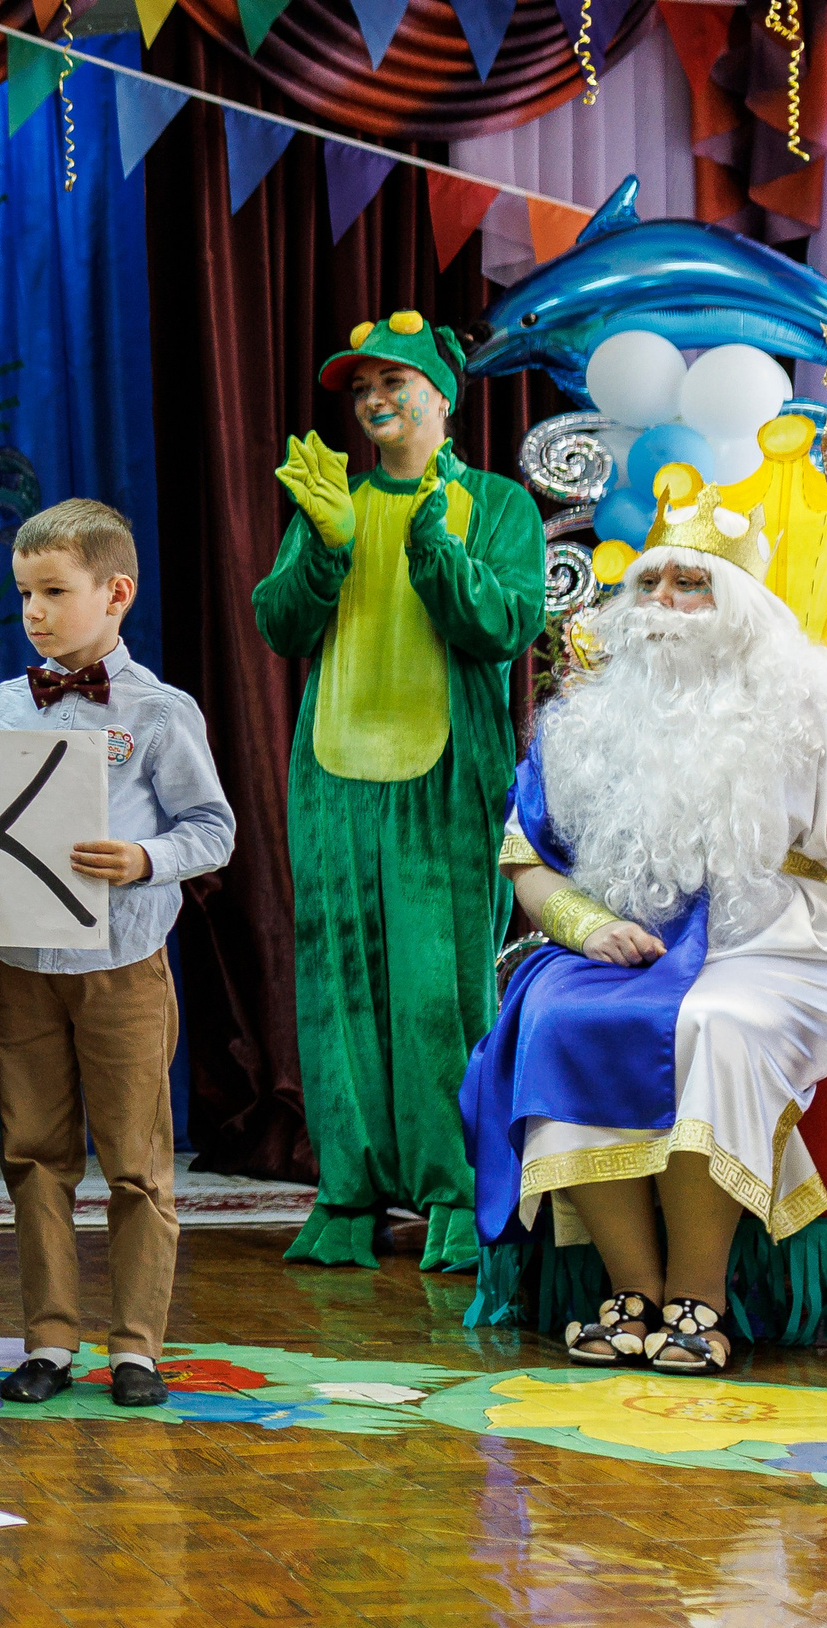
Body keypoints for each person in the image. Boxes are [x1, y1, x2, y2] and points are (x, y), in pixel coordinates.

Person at [462, 488, 827, 1373]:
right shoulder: (588, 718)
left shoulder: (815, 705)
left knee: (716, 1022)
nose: (662, 600)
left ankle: (698, 1301)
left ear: (740, 602)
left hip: (781, 947)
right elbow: (527, 861)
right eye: (649, 582)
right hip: (635, 948)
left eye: (690, 582)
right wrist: (589, 926)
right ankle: (631, 1292)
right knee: (559, 1017)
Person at [252, 309, 543, 1273]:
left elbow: (503, 627)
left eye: (393, 381)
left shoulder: (495, 504)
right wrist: (327, 544)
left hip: (444, 783)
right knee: (337, 991)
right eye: (362, 386)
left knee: (438, 994)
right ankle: (348, 1191)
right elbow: (282, 626)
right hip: (334, 778)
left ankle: (457, 1192)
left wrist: (436, 547)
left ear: (441, 396)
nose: (374, 398)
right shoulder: (330, 500)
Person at [0, 499, 235, 1407]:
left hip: (122, 965)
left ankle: (137, 1345)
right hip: (25, 963)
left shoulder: (160, 710)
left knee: (136, 1160)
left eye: (54, 592)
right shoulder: (6, 700)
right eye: (24, 593)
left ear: (116, 593)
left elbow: (213, 828)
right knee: (32, 1152)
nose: (34, 611)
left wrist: (145, 858)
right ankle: (49, 1338)